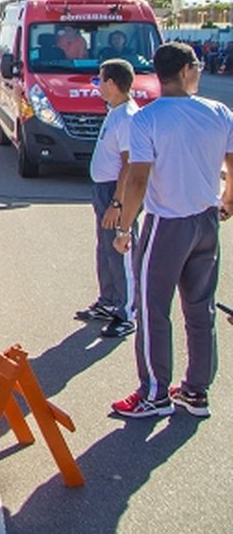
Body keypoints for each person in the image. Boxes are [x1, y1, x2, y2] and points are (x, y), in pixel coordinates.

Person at [110, 42, 233, 419]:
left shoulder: (148, 119)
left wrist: (125, 226)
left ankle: (154, 393)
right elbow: (231, 160)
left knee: (152, 309)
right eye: (196, 65)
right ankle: (196, 391)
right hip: (206, 221)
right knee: (200, 308)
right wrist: (228, 197)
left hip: (167, 224)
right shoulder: (218, 112)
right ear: (183, 70)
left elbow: (138, 180)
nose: (198, 70)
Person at [74, 59, 138, 338]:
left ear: (112, 83)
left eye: (100, 80)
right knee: (104, 249)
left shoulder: (127, 117)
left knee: (119, 250)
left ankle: (127, 312)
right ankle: (108, 301)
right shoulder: (115, 111)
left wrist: (117, 202)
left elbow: (129, 165)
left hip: (115, 191)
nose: (97, 86)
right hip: (103, 188)